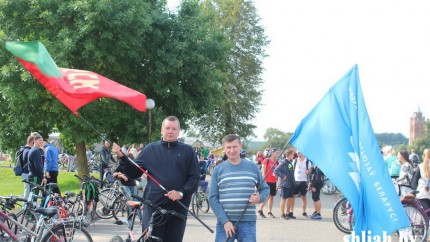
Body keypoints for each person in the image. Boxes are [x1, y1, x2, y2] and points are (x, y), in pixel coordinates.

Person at [112, 116, 199, 242]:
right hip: (154, 206)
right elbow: (134, 172)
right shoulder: (150, 149)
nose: (170, 131)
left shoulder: (187, 151)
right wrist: (122, 157)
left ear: (179, 131)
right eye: (167, 128)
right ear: (161, 130)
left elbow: (194, 178)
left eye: (174, 129)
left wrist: (181, 192)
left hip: (178, 208)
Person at [209, 134, 269, 242]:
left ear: (240, 146)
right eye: (228, 147)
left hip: (248, 222)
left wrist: (259, 198)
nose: (232, 150)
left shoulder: (252, 167)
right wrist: (225, 221)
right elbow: (213, 198)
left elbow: (265, 189)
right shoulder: (218, 170)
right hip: (225, 223)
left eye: (235, 146)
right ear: (224, 149)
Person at [274, 148, 296, 220]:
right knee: (283, 199)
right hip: (285, 184)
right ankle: (282, 214)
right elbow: (276, 170)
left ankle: (288, 213)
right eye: (293, 154)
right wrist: (283, 176)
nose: (294, 155)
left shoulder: (289, 162)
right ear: (289, 155)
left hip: (290, 184)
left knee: (290, 198)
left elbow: (291, 173)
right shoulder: (283, 162)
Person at [257, 148, 279, 218]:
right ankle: (260, 209)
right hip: (267, 181)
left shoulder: (276, 162)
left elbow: (277, 171)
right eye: (276, 152)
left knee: (272, 197)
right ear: (272, 153)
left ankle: (269, 211)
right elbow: (263, 172)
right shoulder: (266, 160)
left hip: (273, 181)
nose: (277, 154)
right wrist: (264, 181)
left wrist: (277, 179)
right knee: (267, 196)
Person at [290, 151, 310, 218]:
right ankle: (291, 212)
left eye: (299, 153)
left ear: (303, 153)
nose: (298, 154)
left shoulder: (307, 161)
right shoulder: (295, 160)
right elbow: (290, 169)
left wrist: (308, 171)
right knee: (293, 197)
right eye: (297, 153)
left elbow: (310, 170)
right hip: (295, 181)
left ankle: (304, 212)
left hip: (304, 181)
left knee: (303, 197)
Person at [415, 148, 430, 216]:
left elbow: (414, 181)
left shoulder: (420, 166)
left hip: (422, 193)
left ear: (423, 156)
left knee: (426, 214)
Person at [21, 135, 35, 200]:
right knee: (28, 190)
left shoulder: (24, 149)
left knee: (27, 189)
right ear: (32, 142)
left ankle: (26, 205)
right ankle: (25, 206)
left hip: (24, 172)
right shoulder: (28, 151)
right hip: (26, 173)